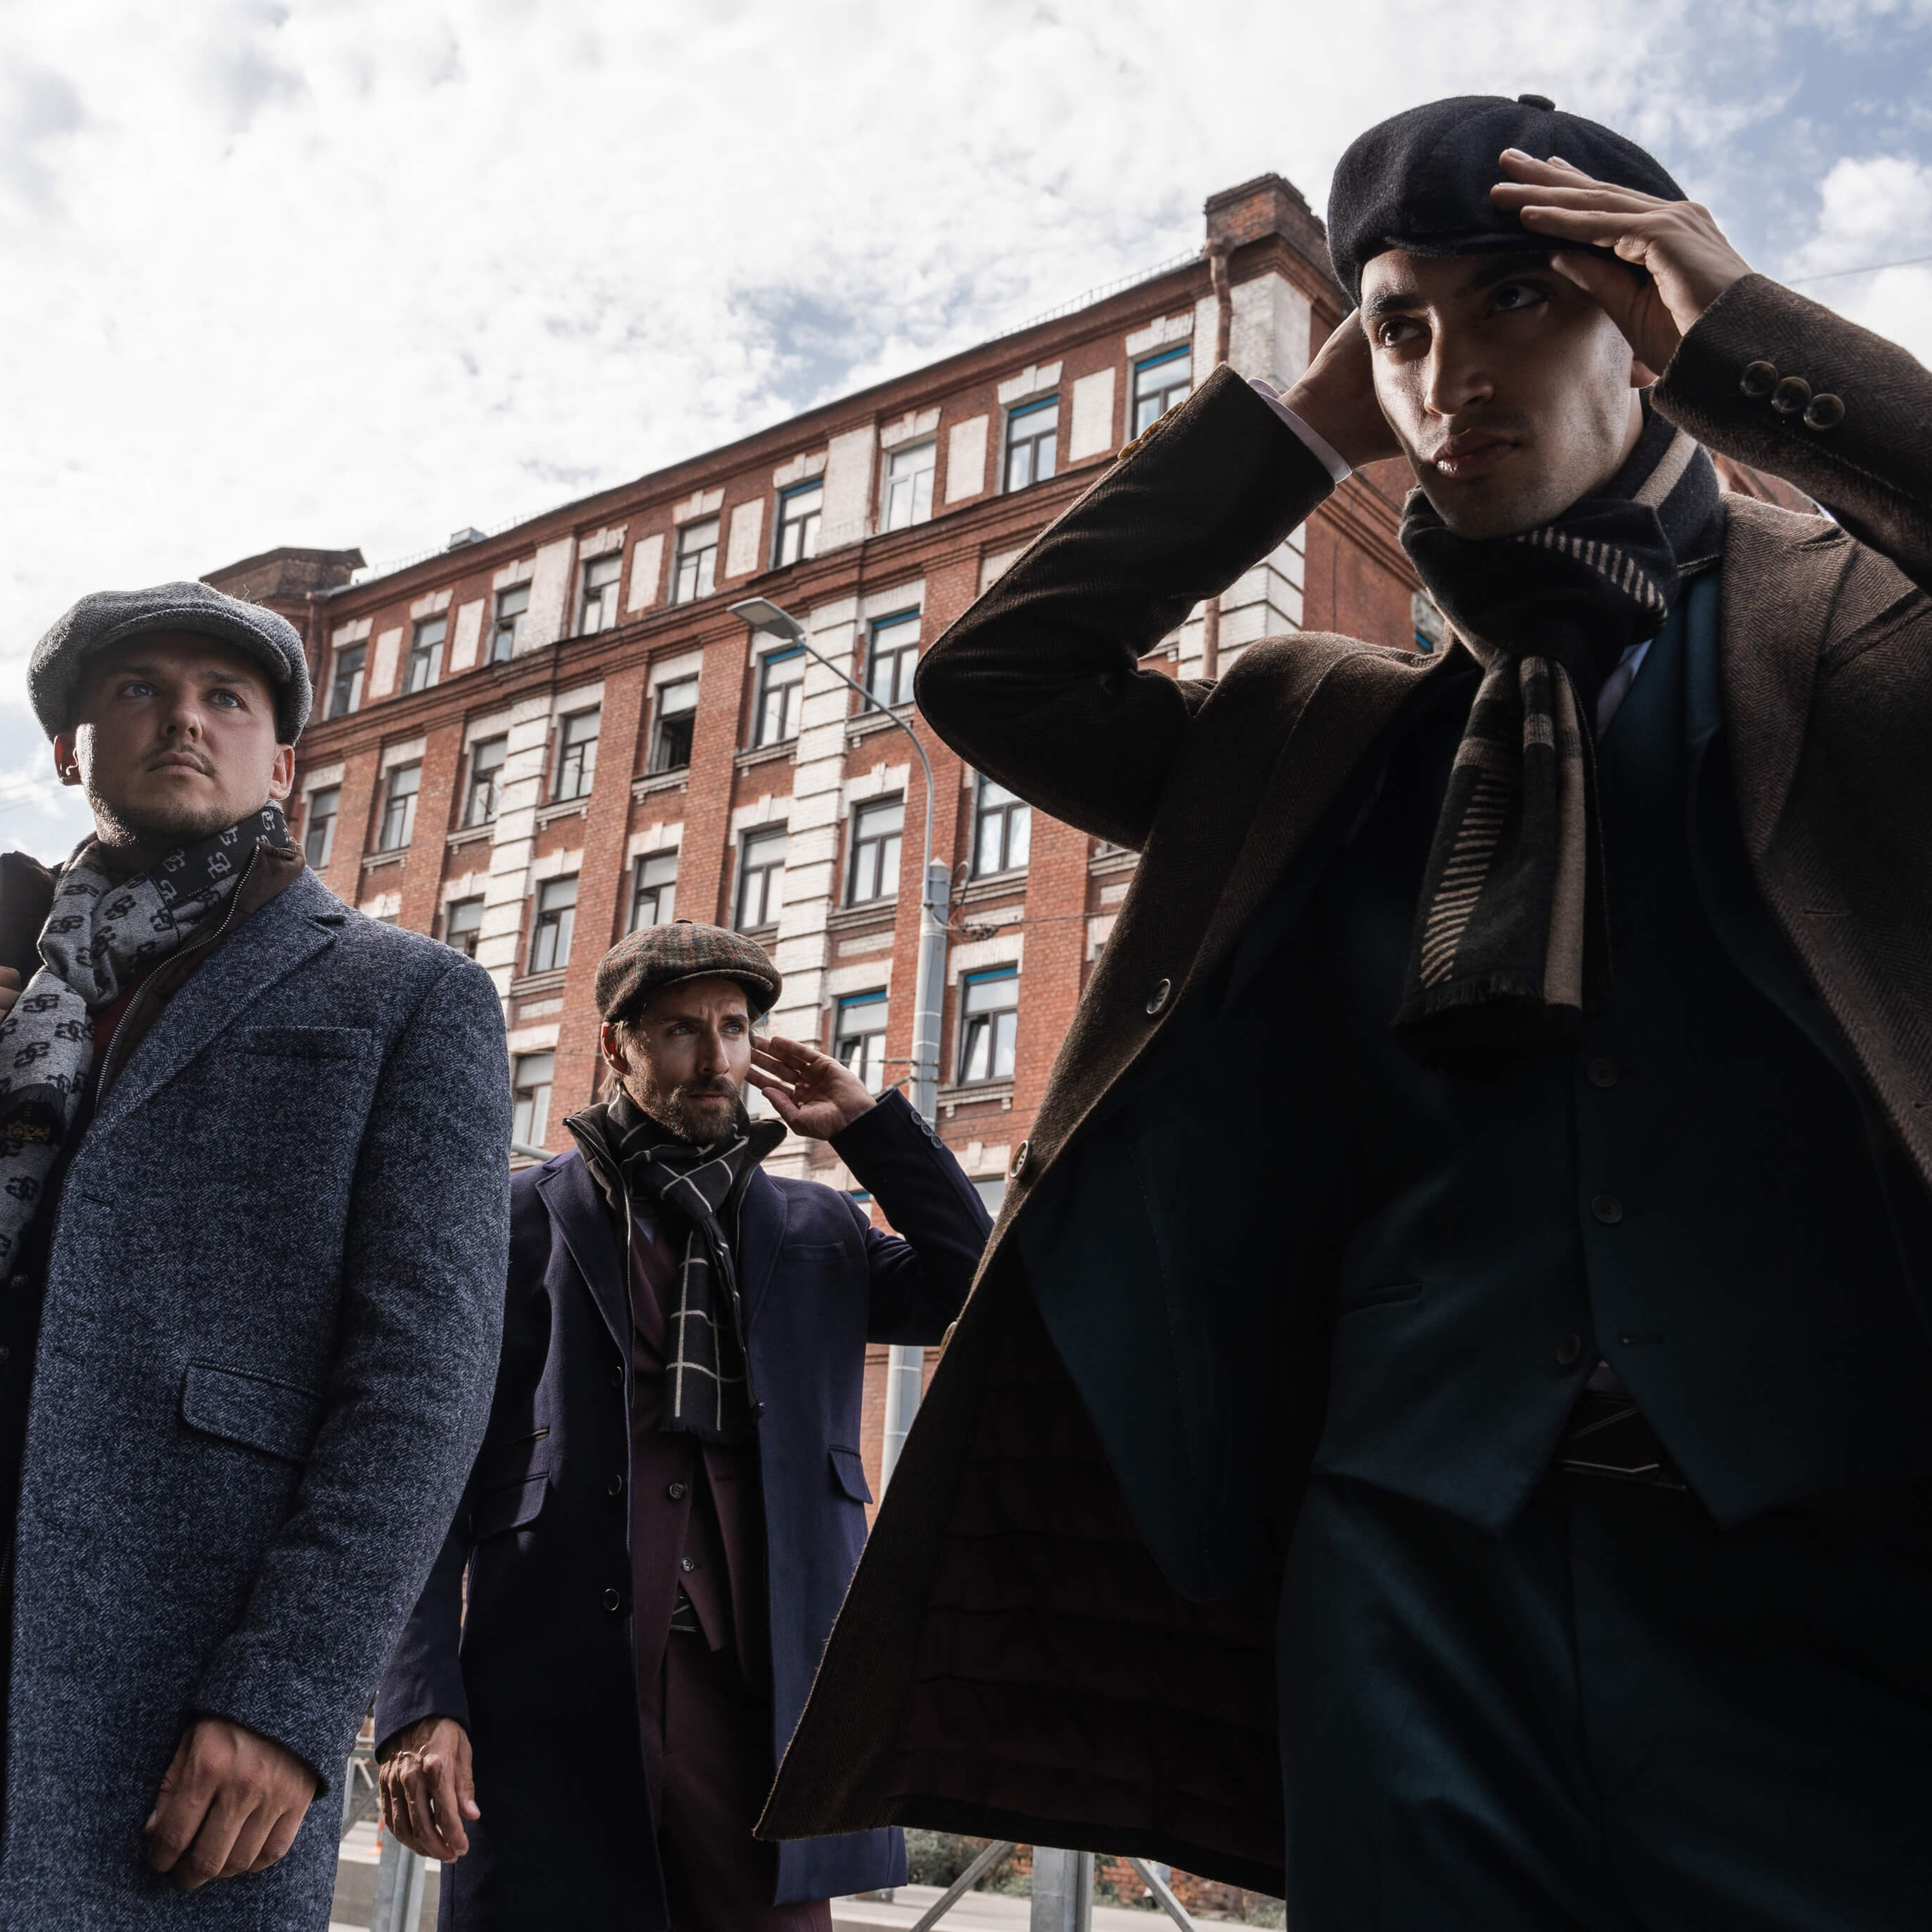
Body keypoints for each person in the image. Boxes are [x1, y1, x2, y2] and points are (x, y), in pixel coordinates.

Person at [762, 94, 1932, 1929]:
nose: (1452, 372)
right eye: (1402, 327)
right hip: (1404, 1554)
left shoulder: (1856, 632)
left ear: (1642, 323)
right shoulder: (1323, 728)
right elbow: (996, 674)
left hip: (1822, 1549)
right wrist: (1304, 421)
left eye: (1518, 303)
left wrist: (1753, 336)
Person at [0, 582, 510, 1926]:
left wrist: (288, 1697)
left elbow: (421, 1382)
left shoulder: (408, 996)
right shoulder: (18, 989)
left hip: (179, 1696)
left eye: (227, 698)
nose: (183, 718)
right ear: (69, 751)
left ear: (284, 761)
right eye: (138, 692)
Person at [372, 921, 990, 1931]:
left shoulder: (818, 1229)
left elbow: (979, 1278)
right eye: (680, 1032)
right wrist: (418, 1700)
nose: (716, 1060)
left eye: (736, 1028)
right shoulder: (515, 1221)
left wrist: (872, 1128)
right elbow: (421, 1472)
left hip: (765, 1700)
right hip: (554, 1689)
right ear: (617, 1045)